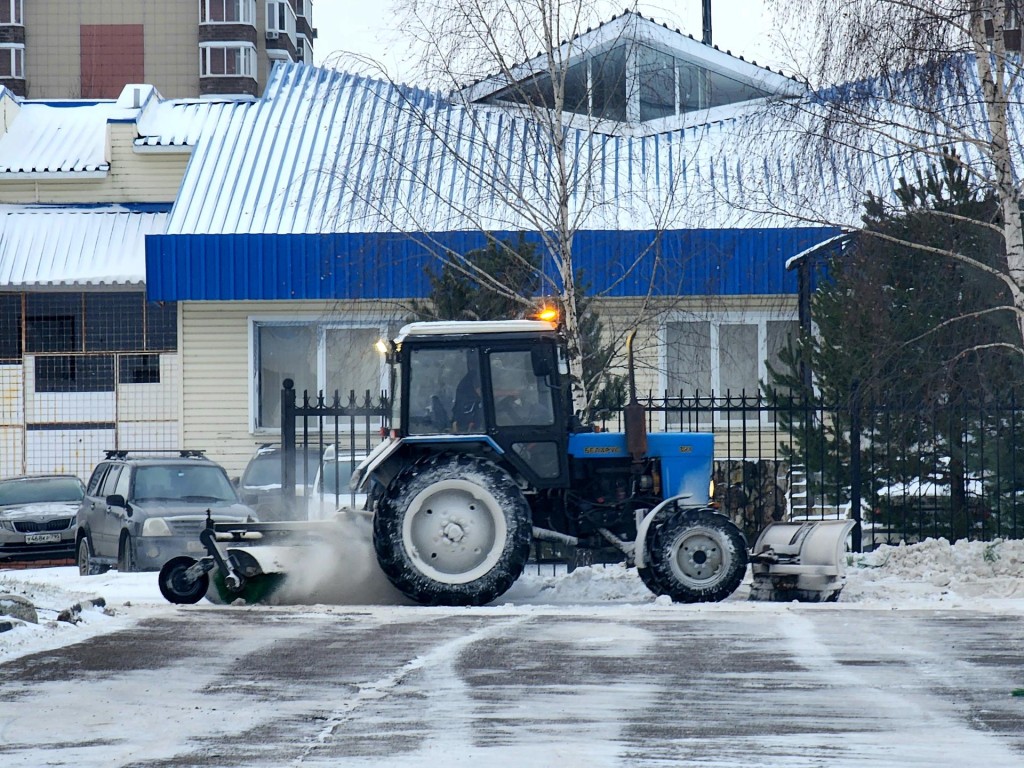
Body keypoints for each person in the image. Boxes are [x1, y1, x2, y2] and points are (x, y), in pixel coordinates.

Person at [452, 355, 483, 432]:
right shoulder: (473, 376)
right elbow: (482, 392)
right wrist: (510, 392)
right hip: (465, 417)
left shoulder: (472, 377)